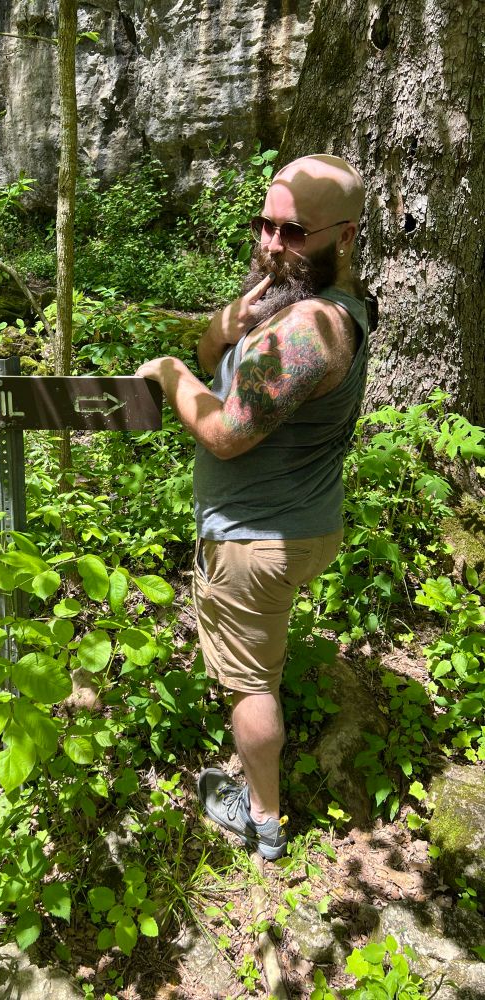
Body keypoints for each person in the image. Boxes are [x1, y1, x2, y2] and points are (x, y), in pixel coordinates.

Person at [135, 154, 372, 860]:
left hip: (255, 539)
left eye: (295, 232)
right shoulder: (299, 303)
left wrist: (173, 375)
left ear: (346, 236)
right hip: (297, 525)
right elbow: (217, 349)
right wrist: (225, 326)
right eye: (264, 225)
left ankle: (262, 819)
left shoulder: (309, 329)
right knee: (257, 658)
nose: (272, 245)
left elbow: (225, 431)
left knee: (248, 684)